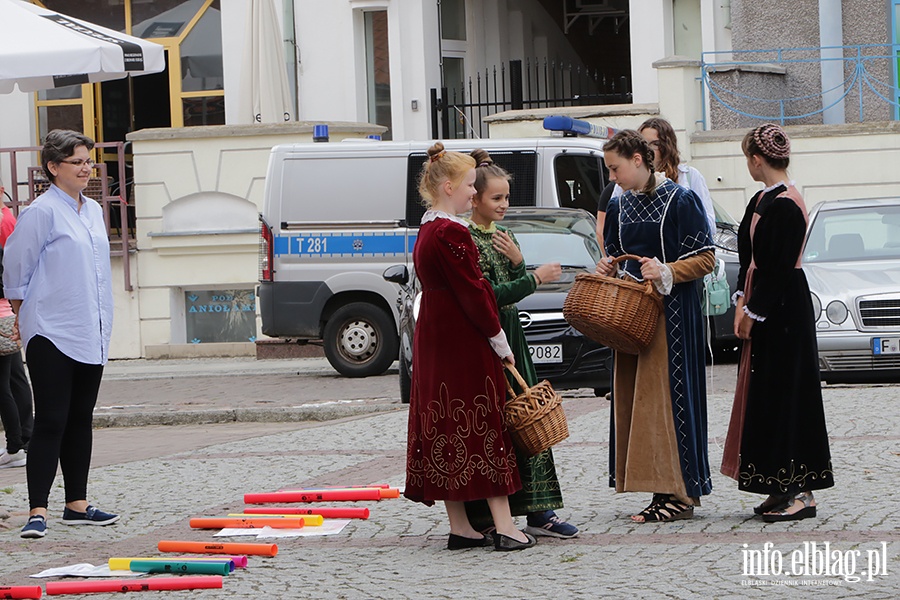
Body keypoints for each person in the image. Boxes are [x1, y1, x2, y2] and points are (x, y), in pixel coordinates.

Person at [404, 142, 536, 551]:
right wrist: (500, 342)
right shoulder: (451, 231)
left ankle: (460, 525)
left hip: (436, 338)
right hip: (461, 340)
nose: (472, 194)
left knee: (445, 424)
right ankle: (505, 526)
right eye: (467, 186)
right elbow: (475, 293)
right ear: (447, 187)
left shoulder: (428, 229)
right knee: (483, 425)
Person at [3, 130, 119, 539]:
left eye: (89, 161)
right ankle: (38, 509)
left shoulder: (92, 211)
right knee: (52, 418)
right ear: (54, 168)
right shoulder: (41, 212)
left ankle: (77, 503)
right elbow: (16, 268)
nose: (86, 168)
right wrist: (23, 313)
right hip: (52, 330)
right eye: (78, 162)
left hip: (92, 327)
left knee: (80, 419)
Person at [595, 130, 714, 522]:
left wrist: (667, 271)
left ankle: (679, 493)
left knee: (667, 401)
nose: (612, 177)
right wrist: (608, 267)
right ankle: (655, 486)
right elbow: (615, 252)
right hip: (631, 315)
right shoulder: (620, 206)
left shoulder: (682, 199)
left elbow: (706, 258)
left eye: (615, 168)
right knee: (640, 402)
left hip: (674, 315)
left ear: (638, 160)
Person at [463, 149, 578, 539]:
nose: (503, 205)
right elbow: (486, 296)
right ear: (474, 198)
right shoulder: (466, 238)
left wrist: (517, 262)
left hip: (513, 335)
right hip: (487, 340)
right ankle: (487, 515)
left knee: (529, 416)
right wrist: (534, 278)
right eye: (496, 198)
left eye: (507, 198)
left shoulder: (506, 235)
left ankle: (541, 509)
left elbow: (507, 284)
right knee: (497, 424)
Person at [721, 123, 833, 521]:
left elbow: (778, 267)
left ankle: (801, 491)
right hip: (766, 302)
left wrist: (754, 311)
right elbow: (749, 255)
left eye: (746, 159)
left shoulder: (787, 204)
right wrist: (740, 300)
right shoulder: (761, 199)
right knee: (765, 395)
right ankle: (776, 483)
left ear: (756, 159)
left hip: (784, 309)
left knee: (788, 394)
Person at [0, 178, 33, 469]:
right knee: (15, 378)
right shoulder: (9, 217)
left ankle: (15, 444)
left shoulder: (4, 222)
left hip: (3, 313)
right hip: (8, 312)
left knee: (6, 385)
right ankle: (24, 437)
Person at [637, 117, 716, 237]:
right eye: (643, 144)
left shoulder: (689, 176)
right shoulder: (629, 179)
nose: (648, 150)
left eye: (655, 144)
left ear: (667, 146)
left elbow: (709, 226)